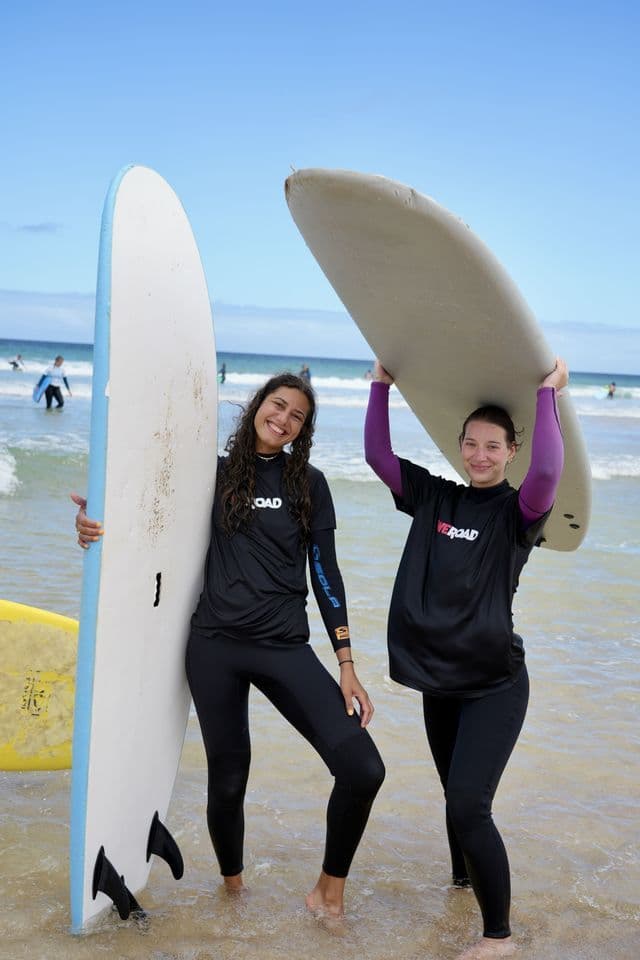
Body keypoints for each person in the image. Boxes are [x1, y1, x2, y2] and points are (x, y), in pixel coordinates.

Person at [73, 372, 385, 919]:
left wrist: (347, 664)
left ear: (302, 430)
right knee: (229, 777)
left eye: (297, 417)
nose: (283, 419)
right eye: (278, 405)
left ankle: (328, 890)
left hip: (284, 646)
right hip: (214, 646)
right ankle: (233, 892)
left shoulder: (309, 485)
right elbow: (151, 527)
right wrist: (93, 523)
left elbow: (326, 575)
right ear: (257, 405)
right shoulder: (209, 476)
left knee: (363, 768)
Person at [364, 357, 567, 960]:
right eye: (471, 444)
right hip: (439, 680)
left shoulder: (517, 514)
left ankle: (498, 936)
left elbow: (551, 469)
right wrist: (380, 385)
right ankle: (460, 885)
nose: (480, 455)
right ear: (459, 447)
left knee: (467, 803)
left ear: (510, 452)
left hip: (494, 683)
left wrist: (546, 393)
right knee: (453, 792)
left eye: (493, 446)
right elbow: (379, 456)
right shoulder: (434, 497)